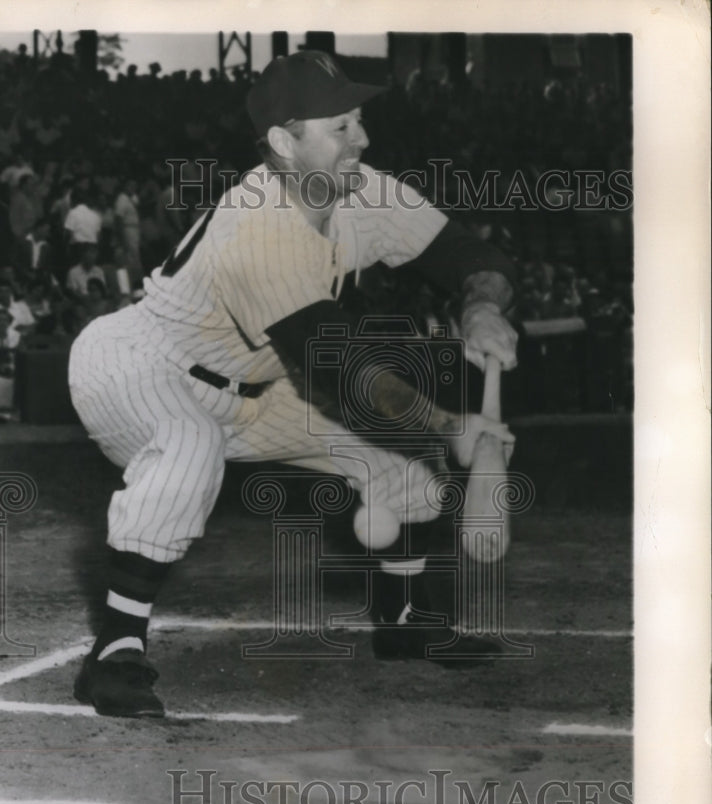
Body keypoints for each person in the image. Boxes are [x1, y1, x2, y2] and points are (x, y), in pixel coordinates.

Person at [68, 51, 518, 719]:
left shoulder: (361, 188)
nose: (361, 138)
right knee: (189, 449)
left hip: (258, 383)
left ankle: (404, 622)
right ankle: (114, 651)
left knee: (401, 465)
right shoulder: (258, 223)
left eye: (358, 119)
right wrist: (451, 426)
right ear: (284, 143)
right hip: (140, 365)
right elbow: (340, 367)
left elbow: (465, 254)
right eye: (339, 126)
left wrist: (480, 303)